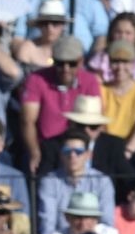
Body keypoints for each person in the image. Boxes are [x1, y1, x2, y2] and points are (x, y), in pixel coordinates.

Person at [21, 36, 102, 173]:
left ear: (81, 62)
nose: (65, 68)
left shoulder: (90, 81)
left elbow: (94, 119)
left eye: (71, 64)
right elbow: (28, 121)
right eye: (60, 63)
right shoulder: (36, 79)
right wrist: (35, 152)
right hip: (46, 148)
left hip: (78, 148)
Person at [38, 130, 116, 234]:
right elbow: (47, 227)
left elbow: (107, 223)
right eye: (67, 151)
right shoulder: (49, 181)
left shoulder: (103, 181)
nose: (72, 155)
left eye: (78, 151)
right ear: (61, 154)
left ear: (88, 155)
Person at [49, 189, 124, 234]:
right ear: (67, 218)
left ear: (96, 219)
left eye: (88, 218)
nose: (83, 224)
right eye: (78, 217)